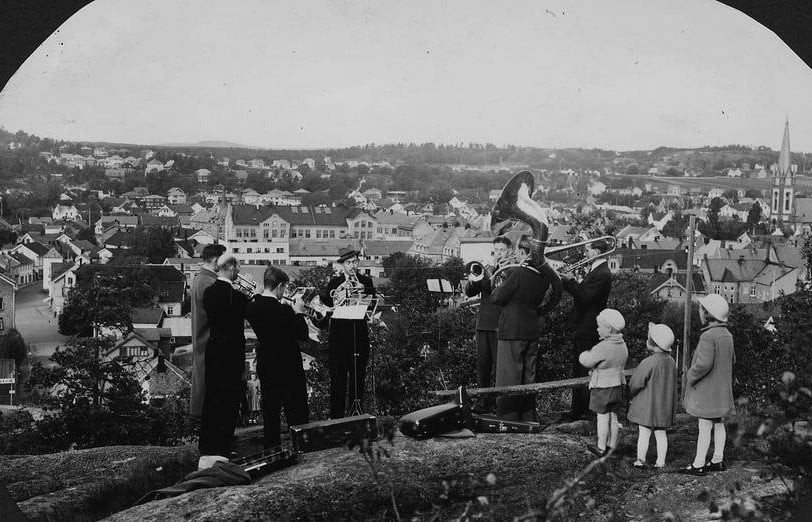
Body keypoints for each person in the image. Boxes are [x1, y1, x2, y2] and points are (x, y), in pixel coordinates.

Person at [490, 236, 562, 422]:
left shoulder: (518, 273)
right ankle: (528, 415)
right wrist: (542, 310)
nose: (515, 255)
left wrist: (498, 283)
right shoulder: (544, 277)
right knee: (528, 376)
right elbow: (556, 294)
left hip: (512, 330)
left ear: (523, 253)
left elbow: (497, 297)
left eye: (517, 252)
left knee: (509, 376)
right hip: (532, 329)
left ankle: (509, 417)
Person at [245, 266, 310, 449]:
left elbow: (256, 301)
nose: (285, 292)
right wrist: (299, 312)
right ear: (280, 286)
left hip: (266, 364)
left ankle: (271, 450)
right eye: (285, 288)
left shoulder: (252, 307)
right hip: (289, 366)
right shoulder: (285, 311)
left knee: (271, 412)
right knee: (296, 410)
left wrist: (257, 295)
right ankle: (301, 447)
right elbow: (303, 334)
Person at [198, 253, 249, 469]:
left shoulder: (209, 292)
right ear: (228, 267)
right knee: (229, 401)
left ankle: (208, 446)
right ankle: (223, 448)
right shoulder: (237, 296)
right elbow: (247, 315)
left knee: (212, 398)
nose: (238, 272)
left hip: (213, 349)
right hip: (231, 353)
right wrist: (251, 295)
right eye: (236, 268)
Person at [682, 294, 735, 475]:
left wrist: (690, 375)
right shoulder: (727, 335)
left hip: (708, 391)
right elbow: (732, 360)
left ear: (707, 313)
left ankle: (698, 464)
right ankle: (718, 459)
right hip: (722, 390)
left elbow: (703, 364)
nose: (699, 311)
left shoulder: (708, 336)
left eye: (701, 309)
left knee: (704, 426)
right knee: (719, 424)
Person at [560, 238, 613, 418]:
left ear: (597, 252)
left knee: (584, 369)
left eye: (587, 250)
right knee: (579, 368)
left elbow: (585, 298)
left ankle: (584, 411)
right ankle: (578, 409)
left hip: (589, 326)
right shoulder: (596, 270)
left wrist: (571, 281)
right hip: (584, 325)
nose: (585, 254)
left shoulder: (602, 273)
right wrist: (568, 282)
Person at [321, 247, 376, 418]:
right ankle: (336, 418)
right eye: (348, 263)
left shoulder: (365, 281)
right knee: (338, 381)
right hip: (338, 339)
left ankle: (356, 416)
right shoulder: (334, 283)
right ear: (342, 265)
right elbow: (325, 307)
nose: (352, 266)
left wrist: (364, 290)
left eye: (355, 262)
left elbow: (372, 303)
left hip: (358, 337)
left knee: (358, 379)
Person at [463, 236, 512, 412]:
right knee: (483, 366)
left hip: (500, 324)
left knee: (499, 369)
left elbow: (501, 291)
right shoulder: (489, 269)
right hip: (483, 324)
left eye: (501, 250)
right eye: (496, 250)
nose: (497, 253)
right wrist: (474, 279)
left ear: (509, 251)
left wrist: (491, 276)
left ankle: (500, 404)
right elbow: (470, 292)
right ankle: (483, 402)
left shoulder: (511, 270)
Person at [579, 308, 628, 457]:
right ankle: (612, 446)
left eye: (599, 326)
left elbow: (588, 360)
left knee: (602, 416)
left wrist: (583, 355)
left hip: (603, 387)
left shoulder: (603, 347)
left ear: (607, 328)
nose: (597, 329)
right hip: (618, 385)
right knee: (614, 417)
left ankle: (601, 447)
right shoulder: (622, 345)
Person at [628, 322, 677, 468]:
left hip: (648, 406)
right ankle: (660, 462)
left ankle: (640, 460)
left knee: (644, 432)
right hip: (664, 405)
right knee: (661, 434)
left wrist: (631, 392)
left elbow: (636, 383)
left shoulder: (648, 362)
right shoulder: (671, 362)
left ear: (653, 342)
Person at [190, 243, 226, 418]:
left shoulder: (199, 279)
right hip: (210, 342)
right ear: (217, 260)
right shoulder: (211, 283)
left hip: (201, 340)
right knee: (211, 391)